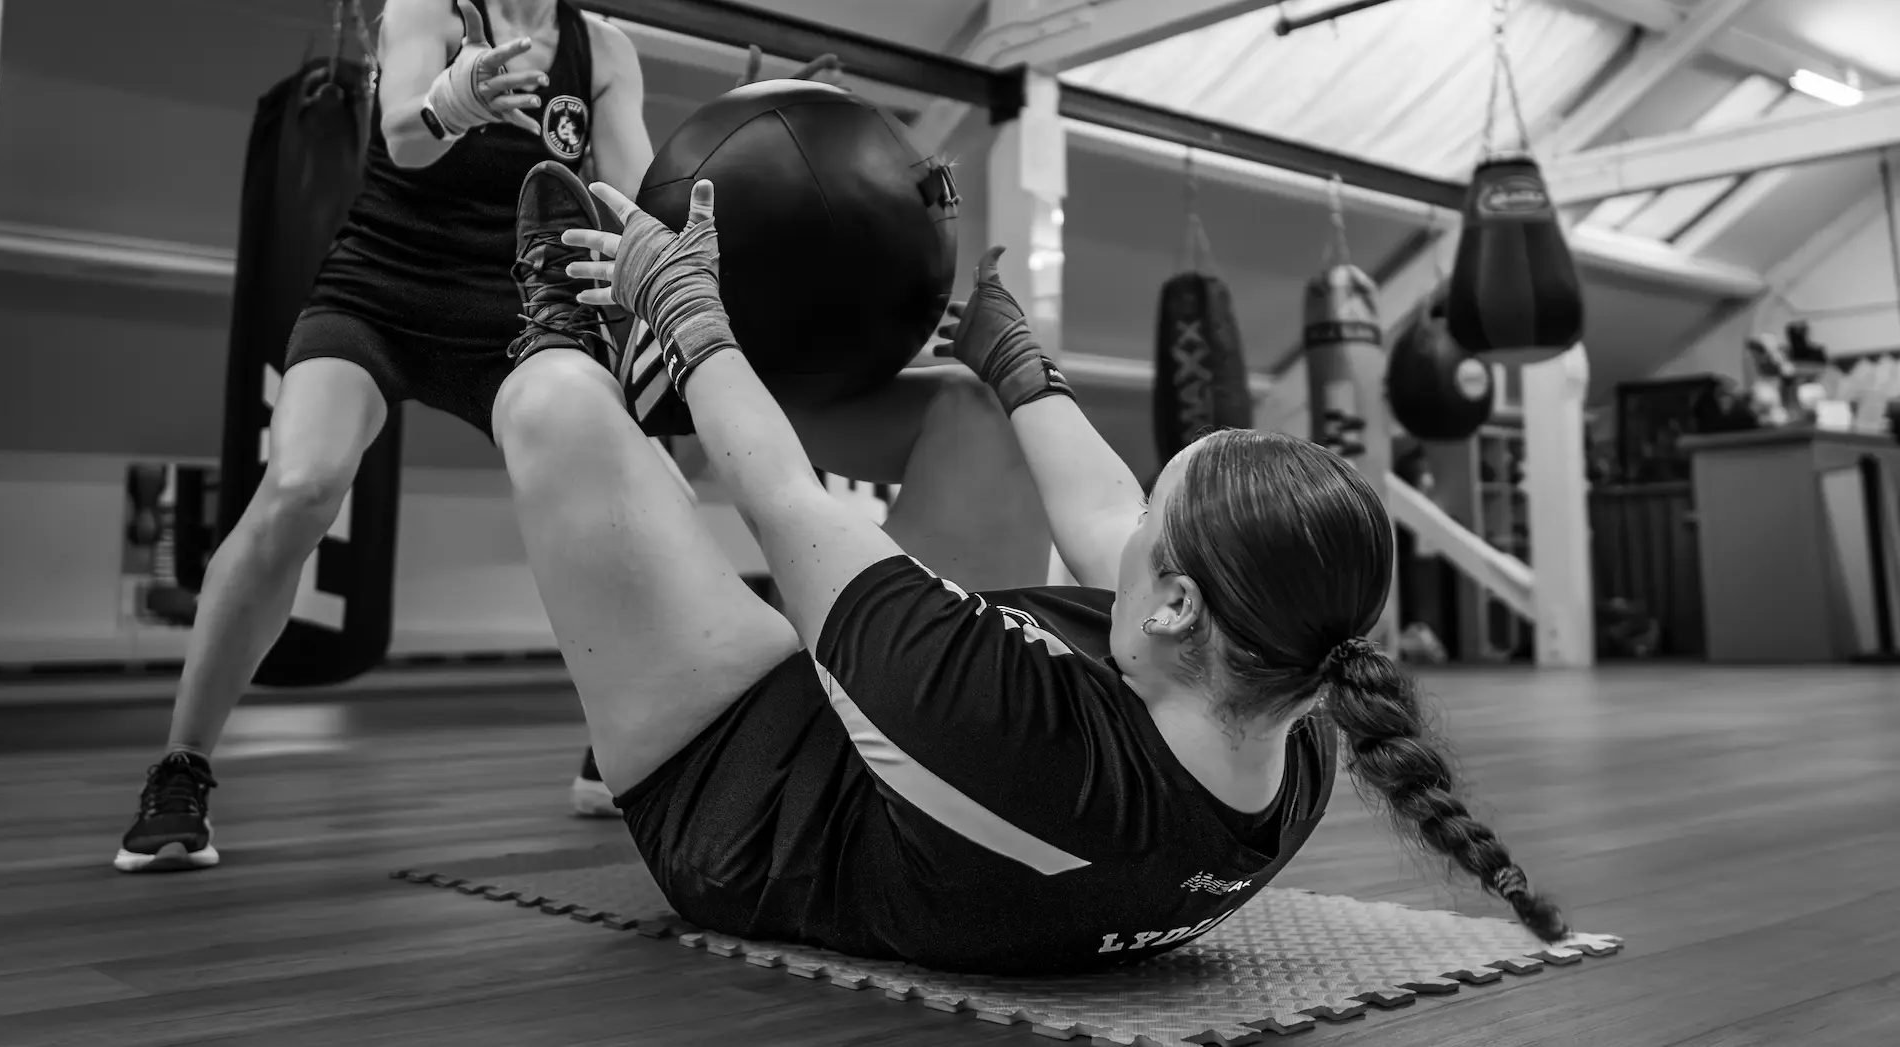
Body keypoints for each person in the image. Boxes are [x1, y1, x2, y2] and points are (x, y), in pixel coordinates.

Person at [487, 160, 1570, 975]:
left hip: (743, 778)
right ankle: (675, 395)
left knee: (551, 411)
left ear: (1178, 600)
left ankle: (579, 350)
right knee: (973, 411)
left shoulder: (1000, 718)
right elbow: (1104, 512)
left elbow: (783, 499)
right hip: (927, 762)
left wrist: (685, 313)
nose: (1132, 514)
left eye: (1160, 512)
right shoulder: (1292, 706)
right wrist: (1016, 363)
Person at [113, 0, 664, 872]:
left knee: (632, 494)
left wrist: (690, 236)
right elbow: (407, 136)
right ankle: (181, 766)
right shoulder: (425, 1)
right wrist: (455, 92)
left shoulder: (608, 49)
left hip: (514, 311)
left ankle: (620, 743)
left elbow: (632, 189)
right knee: (302, 486)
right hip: (378, 289)